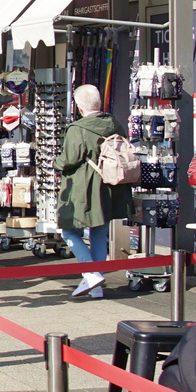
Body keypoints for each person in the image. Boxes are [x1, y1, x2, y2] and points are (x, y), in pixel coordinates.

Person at [53, 85, 132, 300]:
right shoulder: (114, 123)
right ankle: (96, 287)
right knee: (99, 232)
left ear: (79, 107)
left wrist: (55, 163)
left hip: (83, 187)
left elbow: (69, 159)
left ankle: (90, 273)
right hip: (110, 185)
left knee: (68, 230)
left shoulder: (77, 129)